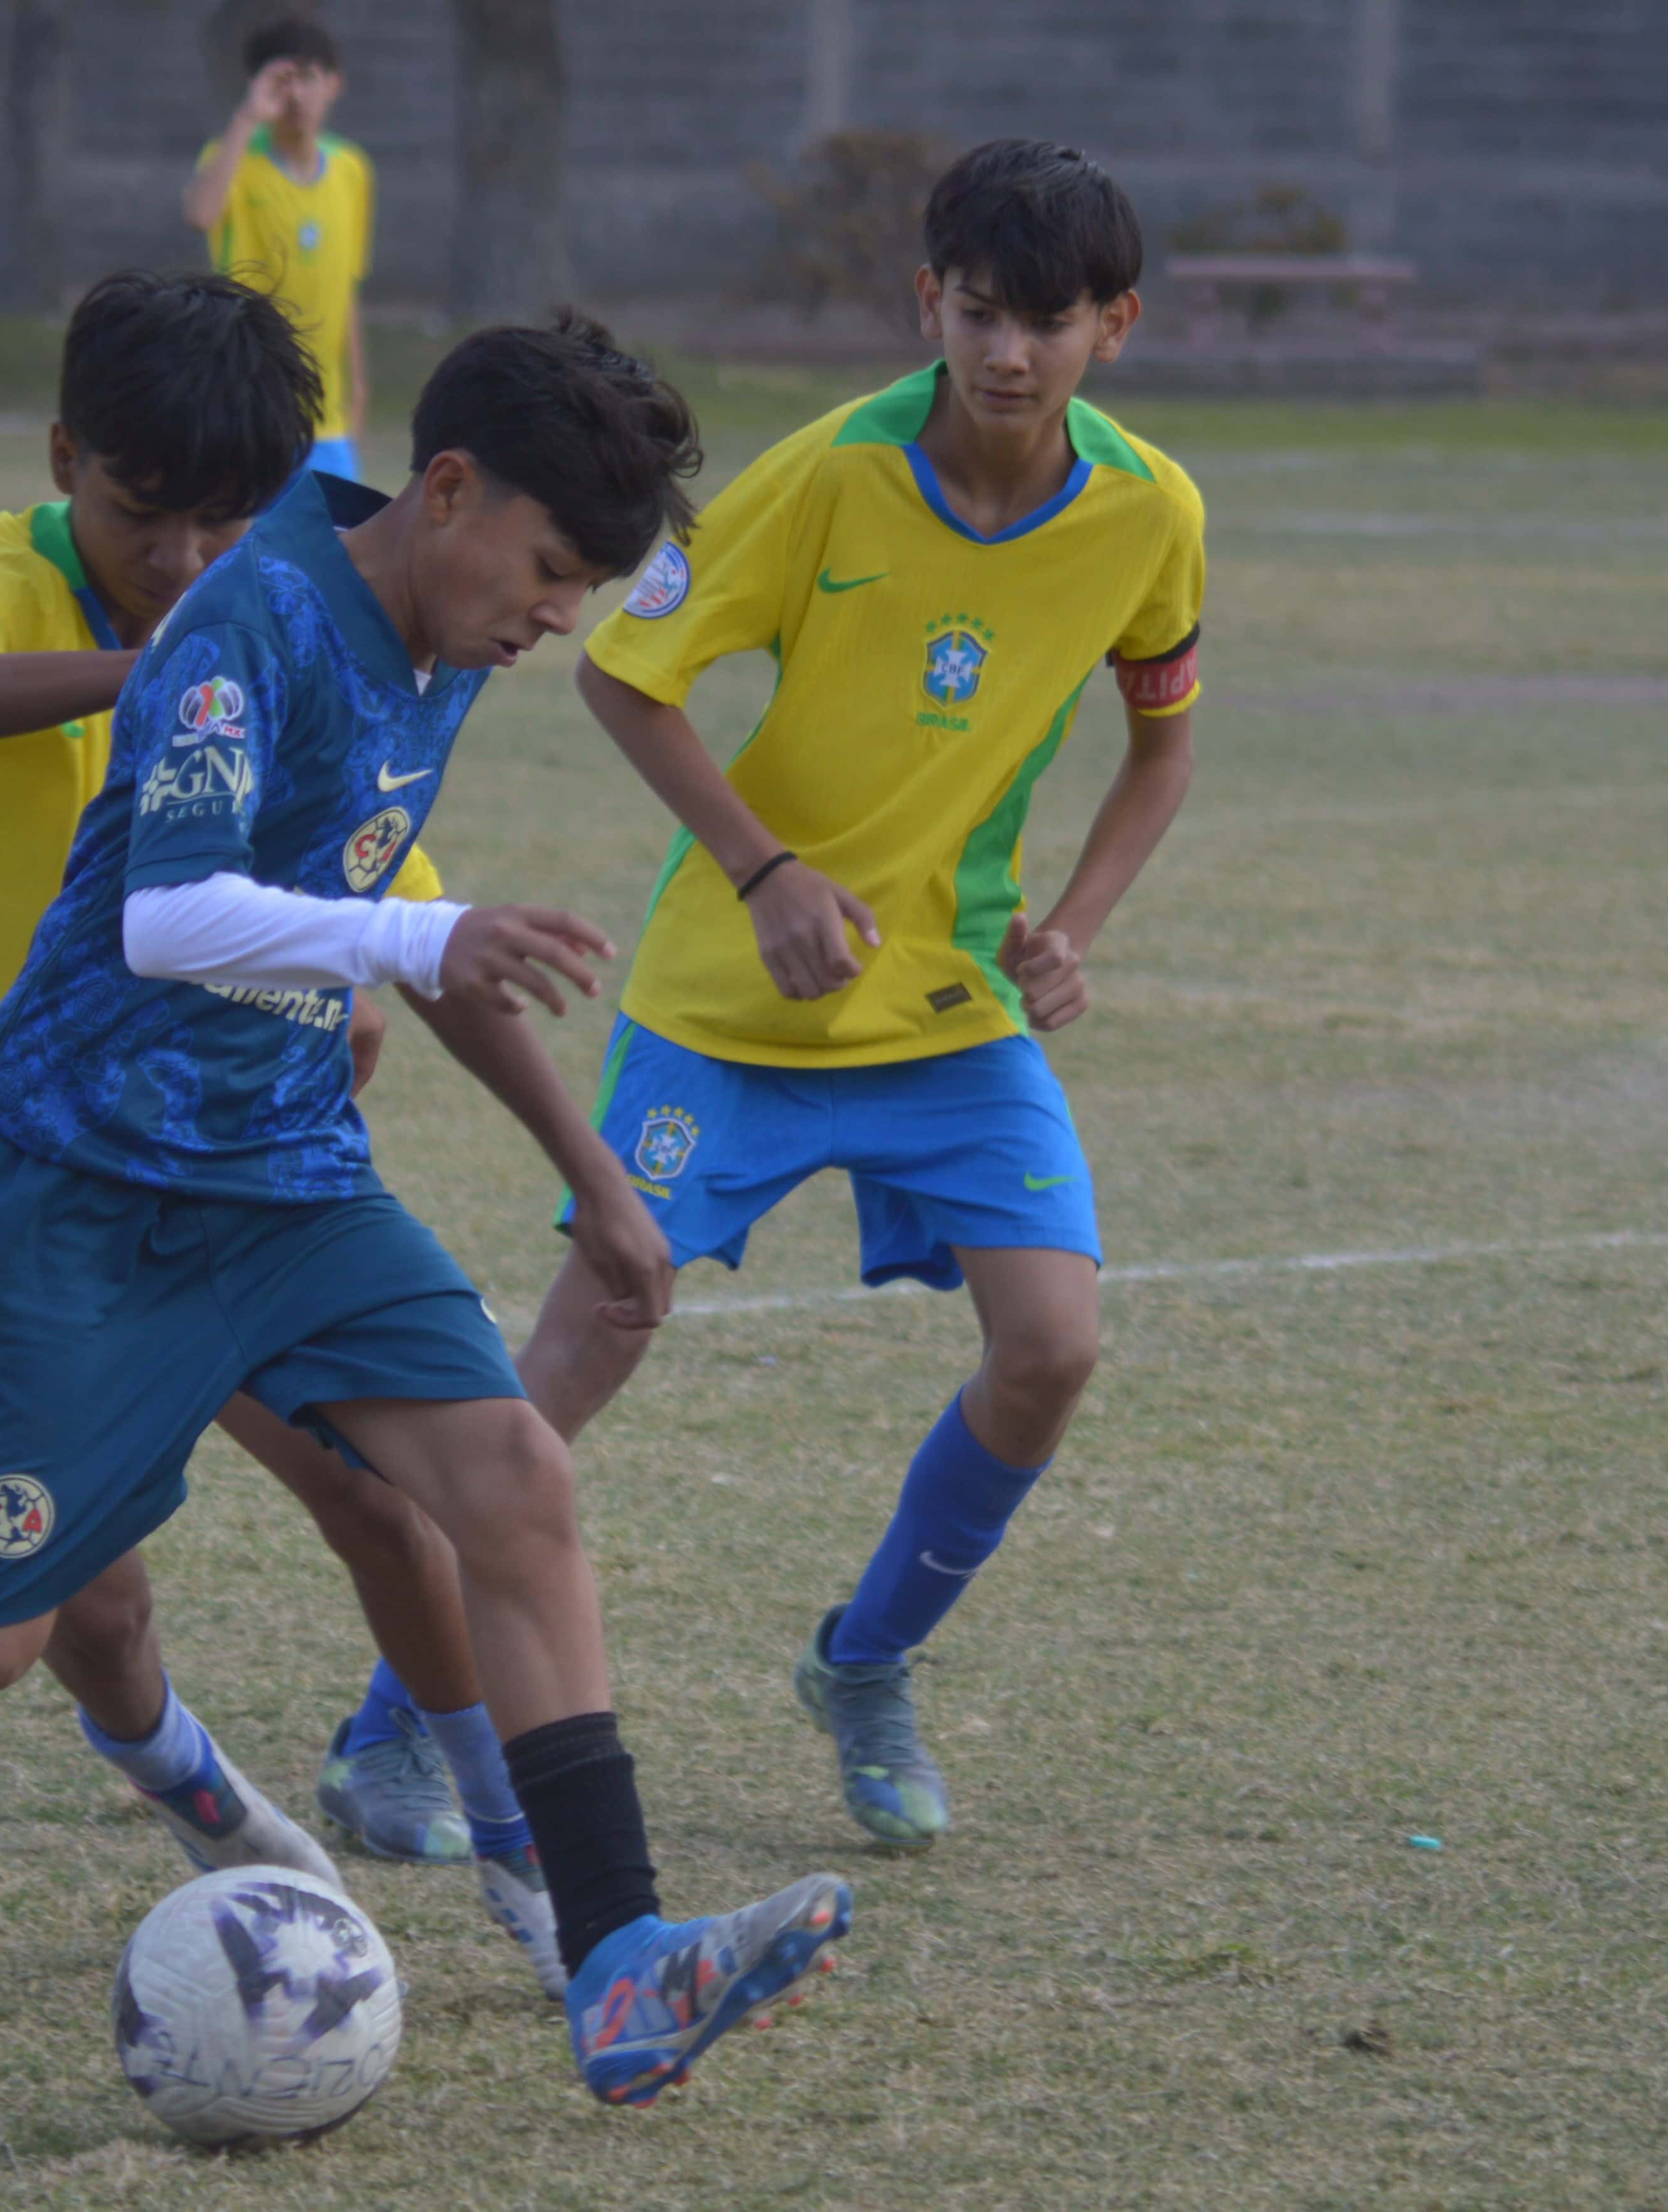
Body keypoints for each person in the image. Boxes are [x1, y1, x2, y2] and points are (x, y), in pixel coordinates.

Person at [0, 311, 852, 2110]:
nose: (552, 617)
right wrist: (409, 937)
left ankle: (617, 1952)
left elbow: (414, 915)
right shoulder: (249, 622)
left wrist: (595, 1179)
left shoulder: (448, 617)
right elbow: (175, 915)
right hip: (71, 1190)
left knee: (509, 1484)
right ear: (449, 490)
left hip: (288, 1173)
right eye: (548, 569)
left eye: (581, 588)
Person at [0, 268, 560, 1992]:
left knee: (388, 1500)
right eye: (138, 513)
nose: (180, 558)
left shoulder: (302, 630)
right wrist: (158, 657)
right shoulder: (3, 573)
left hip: (201, 1183)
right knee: (49, 1614)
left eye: (222, 523)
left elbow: (380, 895)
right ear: (65, 461)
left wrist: (411, 1019)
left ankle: (521, 1849)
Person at [512, 138, 1206, 1851]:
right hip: (725, 1009)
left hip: (950, 1011)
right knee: (577, 1356)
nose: (1007, 355)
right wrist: (764, 872)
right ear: (930, 303)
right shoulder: (826, 472)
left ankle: (867, 1660)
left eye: (1048, 322)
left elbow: (1162, 740)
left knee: (1052, 1345)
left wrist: (1077, 922)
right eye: (978, 313)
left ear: (1116, 325)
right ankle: (409, 1725)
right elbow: (626, 668)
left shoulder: (1149, 512)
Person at [181, 15, 370, 484]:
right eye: (281, 82)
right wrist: (247, 118)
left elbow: (346, 286)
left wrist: (359, 384)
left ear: (334, 84)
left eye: (307, 79)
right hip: (249, 403)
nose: (296, 96)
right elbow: (201, 214)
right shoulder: (232, 158)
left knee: (334, 550)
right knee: (248, 550)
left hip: (327, 417)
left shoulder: (352, 170)